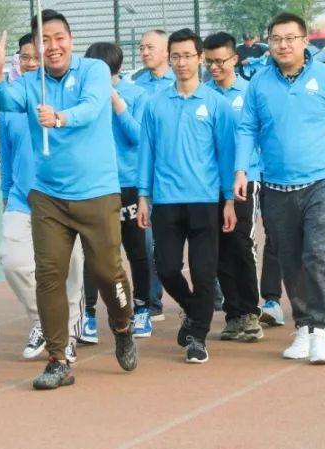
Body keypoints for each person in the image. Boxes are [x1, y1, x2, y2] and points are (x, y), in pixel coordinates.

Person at [0, 9, 138, 390]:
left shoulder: (94, 71)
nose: (53, 46)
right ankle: (58, 359)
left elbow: (91, 107)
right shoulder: (30, 82)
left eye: (59, 38)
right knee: (49, 276)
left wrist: (59, 118)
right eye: (45, 40)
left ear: (70, 40)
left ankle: (122, 327)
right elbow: (3, 101)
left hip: (97, 192)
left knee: (107, 272)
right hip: (48, 197)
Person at [235, 13, 325, 366]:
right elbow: (247, 128)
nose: (283, 45)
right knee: (289, 258)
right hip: (276, 185)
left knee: (319, 253)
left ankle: (321, 328)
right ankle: (304, 325)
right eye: (276, 38)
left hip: (322, 180)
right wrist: (241, 170)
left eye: (290, 38)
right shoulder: (259, 83)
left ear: (305, 41)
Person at [138, 29, 236, 364]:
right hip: (166, 201)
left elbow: (226, 156)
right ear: (170, 58)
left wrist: (229, 200)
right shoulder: (155, 104)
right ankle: (195, 311)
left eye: (188, 56)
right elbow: (146, 152)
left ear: (200, 58)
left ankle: (198, 338)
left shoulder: (217, 104)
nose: (182, 62)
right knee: (166, 268)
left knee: (204, 272)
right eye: (176, 56)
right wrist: (143, 196)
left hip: (205, 201)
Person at [0, 34, 83, 361]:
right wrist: (5, 193)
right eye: (25, 57)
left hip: (65, 196)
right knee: (13, 261)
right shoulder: (10, 105)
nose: (31, 63)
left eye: (37, 57)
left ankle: (69, 333)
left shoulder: (65, 96)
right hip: (22, 198)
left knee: (71, 268)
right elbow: (6, 155)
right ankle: (44, 320)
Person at [82, 40, 153, 339]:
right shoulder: (85, 95)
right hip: (95, 185)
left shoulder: (137, 95)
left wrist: (118, 105)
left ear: (118, 69)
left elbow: (140, 137)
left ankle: (142, 308)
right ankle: (88, 314)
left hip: (129, 184)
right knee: (94, 252)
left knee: (137, 250)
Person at [202, 32, 264, 343]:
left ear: (235, 59)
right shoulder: (203, 95)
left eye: (220, 61)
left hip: (245, 179)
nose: (215, 67)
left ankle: (251, 311)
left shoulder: (250, 92)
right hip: (211, 183)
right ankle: (233, 313)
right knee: (219, 249)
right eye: (209, 62)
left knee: (241, 242)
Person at [133, 29, 173, 321]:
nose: (145, 52)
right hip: (148, 174)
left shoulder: (182, 82)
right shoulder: (137, 87)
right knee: (147, 243)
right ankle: (152, 301)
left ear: (167, 51)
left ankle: (214, 294)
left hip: (179, 175)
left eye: (150, 47)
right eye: (141, 47)